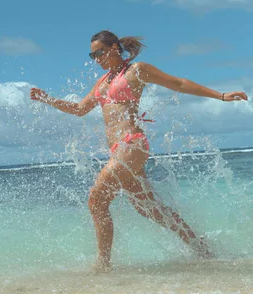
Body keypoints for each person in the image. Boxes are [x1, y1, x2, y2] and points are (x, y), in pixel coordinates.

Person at [30, 30, 249, 273]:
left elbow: (177, 83)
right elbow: (80, 109)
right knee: (150, 208)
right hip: (118, 150)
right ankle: (203, 250)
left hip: (132, 143)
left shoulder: (136, 71)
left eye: (100, 52)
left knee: (97, 200)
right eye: (92, 56)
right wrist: (47, 99)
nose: (97, 59)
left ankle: (103, 265)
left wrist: (221, 95)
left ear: (114, 48)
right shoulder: (102, 82)